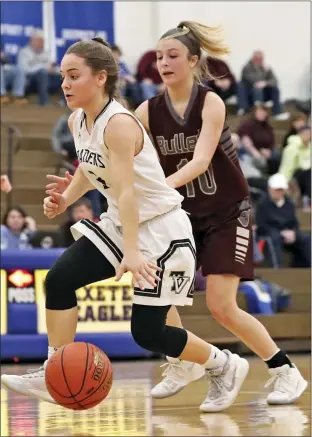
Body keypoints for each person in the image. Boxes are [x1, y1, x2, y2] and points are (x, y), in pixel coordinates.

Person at [1, 38, 249, 413]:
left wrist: (132, 253)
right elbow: (88, 165)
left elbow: (128, 192)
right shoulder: (77, 119)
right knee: (60, 280)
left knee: (147, 332)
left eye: (74, 76)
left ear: (101, 78)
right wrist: (67, 197)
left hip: (162, 230)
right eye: (63, 76)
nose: (64, 84)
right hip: (124, 222)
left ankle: (223, 363)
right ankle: (54, 369)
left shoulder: (119, 123)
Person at [133, 21, 307, 406]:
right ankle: (182, 361)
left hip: (228, 213)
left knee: (221, 305)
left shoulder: (210, 101)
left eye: (173, 56)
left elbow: (200, 159)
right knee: (156, 290)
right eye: (159, 57)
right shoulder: (146, 111)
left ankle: (284, 372)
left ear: (194, 61)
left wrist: (159, 188)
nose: (163, 63)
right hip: (182, 215)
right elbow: (115, 144)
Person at [256, 173, 311, 268]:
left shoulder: (289, 204)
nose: (278, 192)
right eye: (276, 189)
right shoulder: (263, 204)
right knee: (274, 237)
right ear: (270, 189)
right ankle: (278, 269)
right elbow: (262, 225)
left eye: (280, 190)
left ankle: (305, 267)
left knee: (306, 239)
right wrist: (281, 233)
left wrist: (293, 233)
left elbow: (294, 222)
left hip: (288, 232)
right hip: (271, 233)